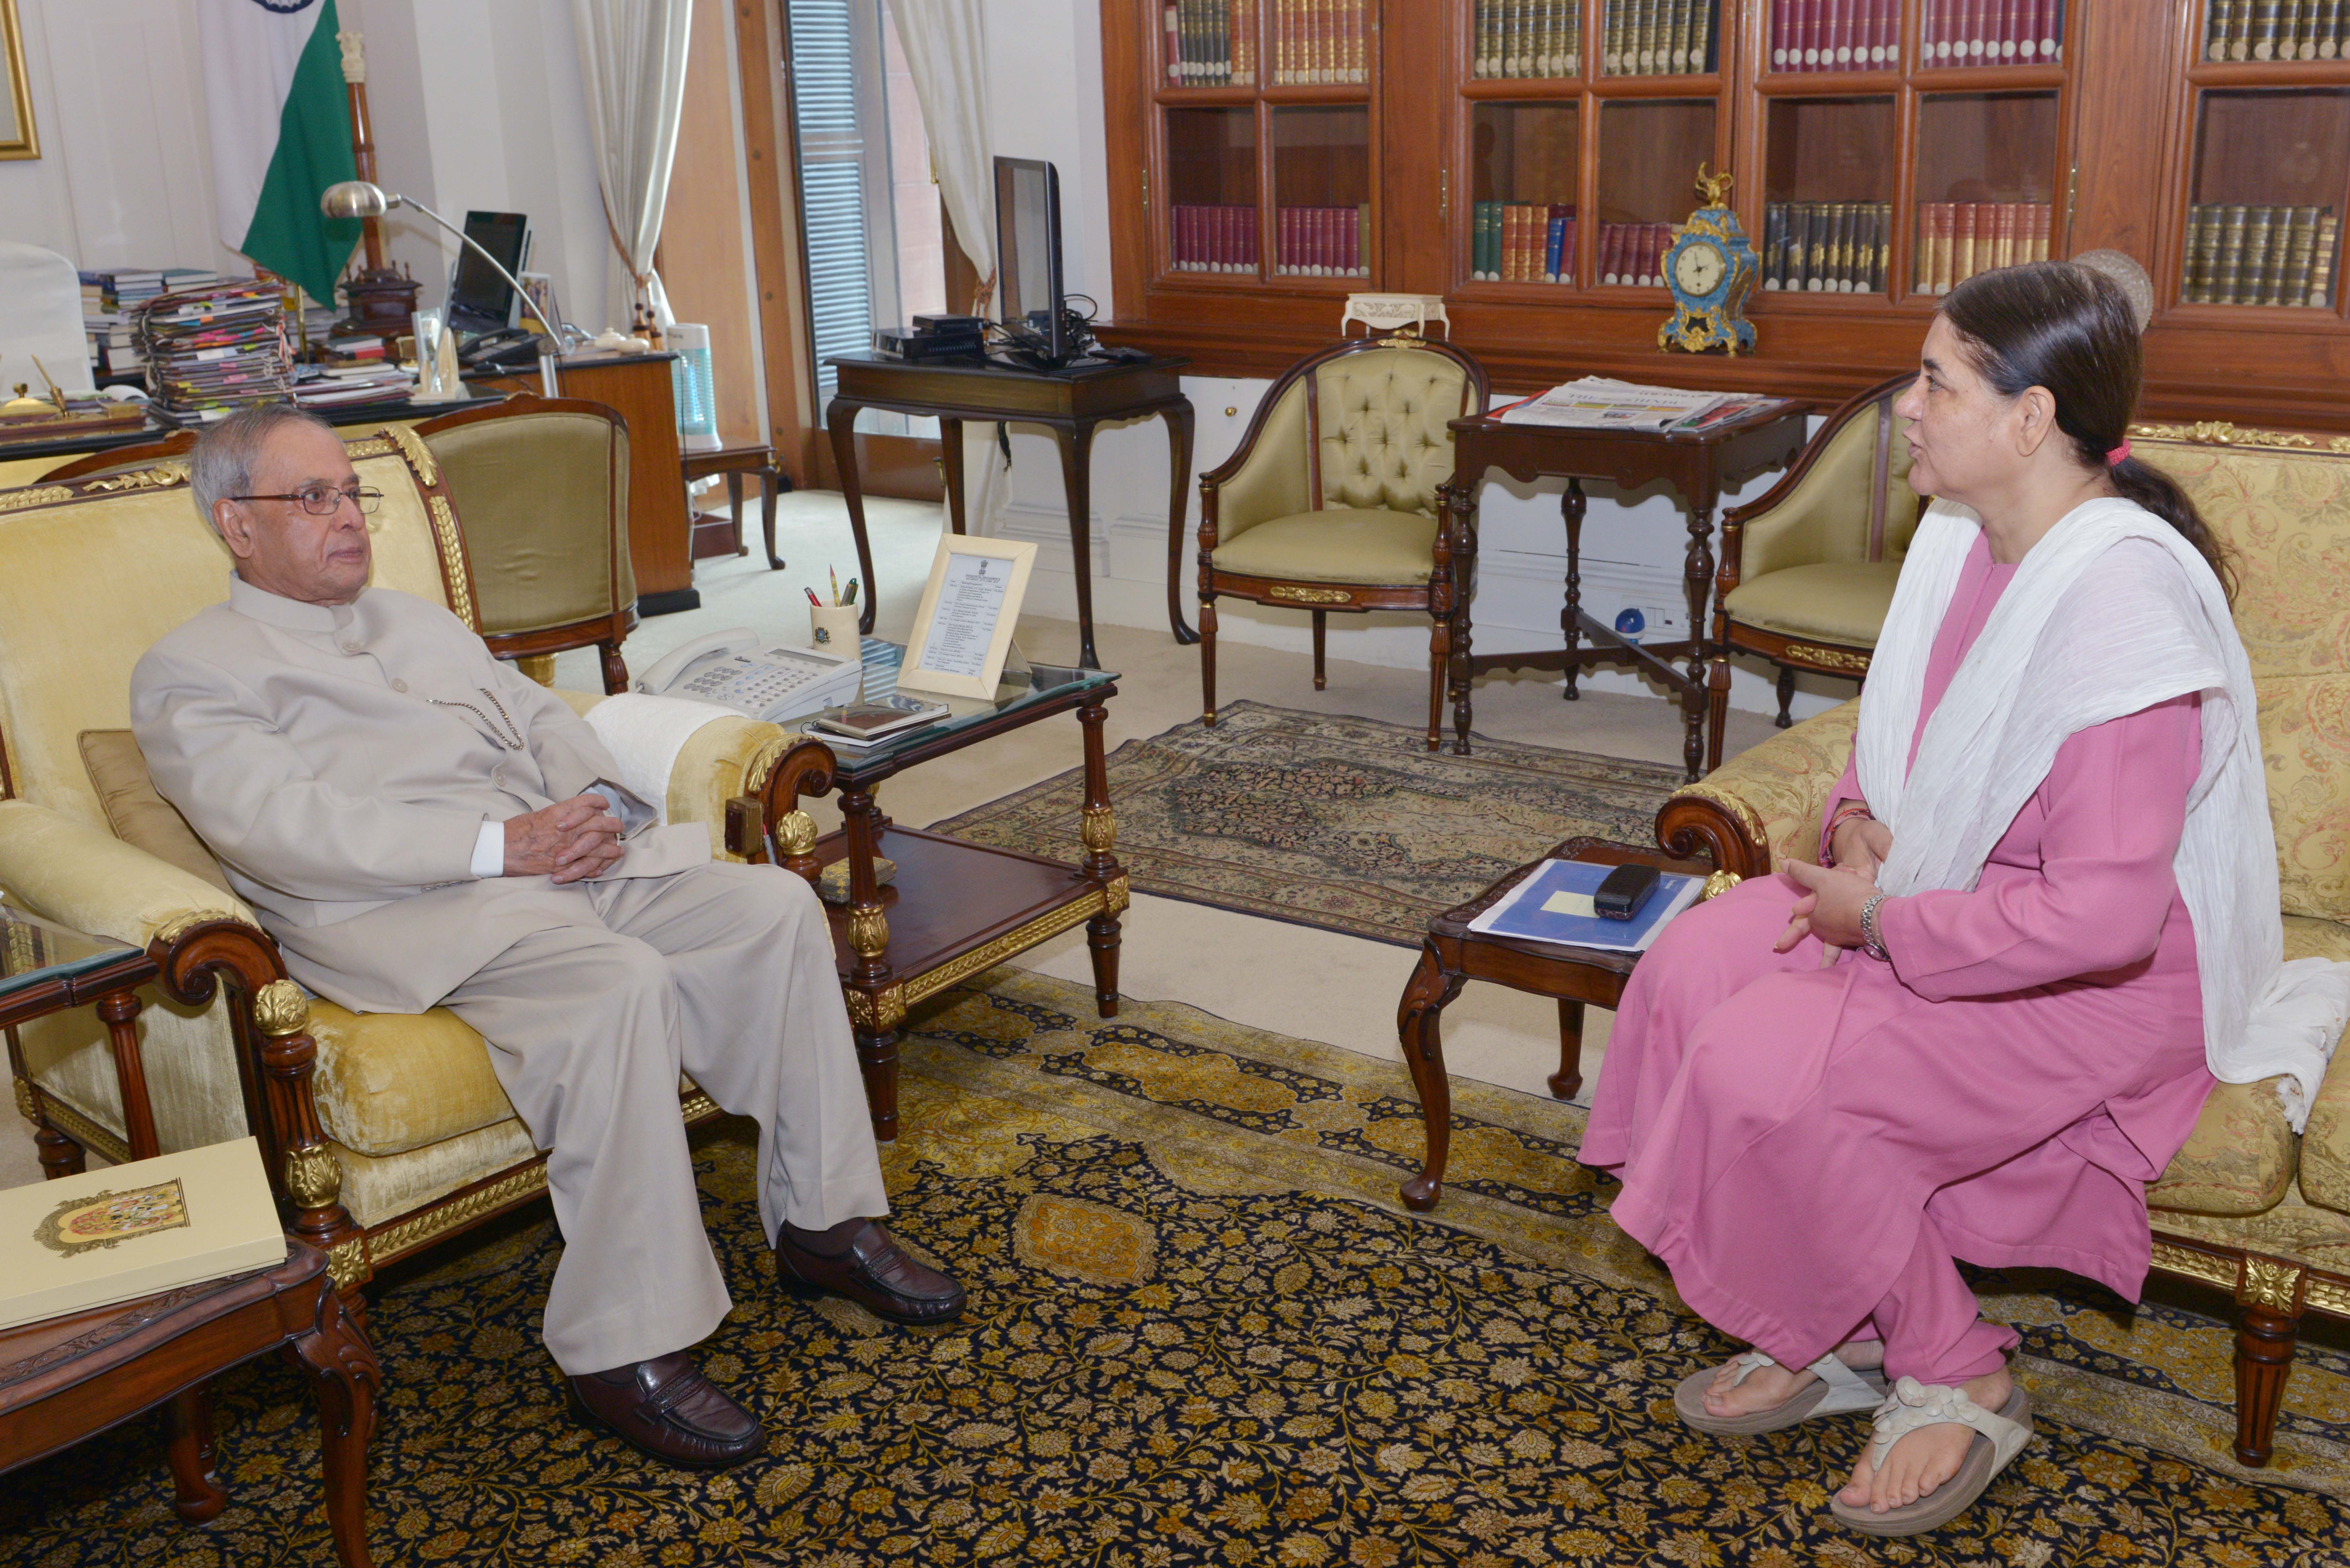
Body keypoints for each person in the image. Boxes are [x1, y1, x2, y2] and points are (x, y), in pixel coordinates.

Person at [1580, 262, 2350, 1535]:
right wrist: (1862, 833)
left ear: (2030, 419)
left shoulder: (2122, 607)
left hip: (2102, 979)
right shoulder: (1962, 540)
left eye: (1935, 381)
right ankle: (1816, 1307)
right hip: (1949, 902)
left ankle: (1955, 1365)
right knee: (1691, 965)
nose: (1905, 408)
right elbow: (1905, 744)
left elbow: (2101, 921)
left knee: (1781, 1068)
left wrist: (1881, 920)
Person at [131, 404, 965, 1470]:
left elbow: (538, 720)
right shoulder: (193, 671)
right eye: (313, 498)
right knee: (615, 988)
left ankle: (824, 1223)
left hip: (563, 866)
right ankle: (625, 1346)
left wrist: (593, 807)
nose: (347, 517)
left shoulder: (414, 620)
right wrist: (502, 846)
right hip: (418, 913)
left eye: (352, 493)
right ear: (234, 526)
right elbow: (293, 834)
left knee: (774, 911)